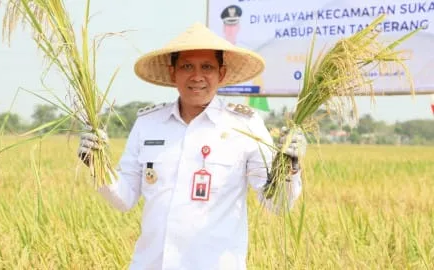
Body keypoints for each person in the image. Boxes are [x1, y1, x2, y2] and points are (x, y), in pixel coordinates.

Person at [78, 22, 306, 269]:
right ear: (173, 71)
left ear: (221, 73)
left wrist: (290, 170)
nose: (197, 76)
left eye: (206, 67)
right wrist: (96, 163)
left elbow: (276, 204)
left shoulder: (245, 126)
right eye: (187, 66)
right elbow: (124, 198)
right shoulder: (148, 124)